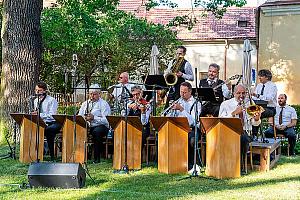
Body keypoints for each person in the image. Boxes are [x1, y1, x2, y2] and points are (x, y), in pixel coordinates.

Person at [219, 84, 261, 171]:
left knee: (243, 138)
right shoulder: (225, 104)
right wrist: (233, 113)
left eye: (243, 93)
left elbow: (255, 124)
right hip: (229, 131)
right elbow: (220, 120)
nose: (241, 96)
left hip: (245, 131)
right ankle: (225, 163)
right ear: (233, 93)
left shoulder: (251, 103)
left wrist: (256, 119)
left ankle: (240, 165)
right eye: (238, 93)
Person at [165, 82, 201, 171]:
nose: (182, 94)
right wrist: (171, 111)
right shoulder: (178, 101)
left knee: (190, 139)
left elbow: (193, 121)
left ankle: (191, 164)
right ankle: (171, 162)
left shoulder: (196, 103)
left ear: (190, 92)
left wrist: (181, 109)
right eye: (181, 92)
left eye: (184, 92)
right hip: (178, 127)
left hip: (192, 129)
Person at [78, 84, 111, 163]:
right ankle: (80, 156)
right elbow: (80, 115)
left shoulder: (104, 104)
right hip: (88, 125)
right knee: (77, 128)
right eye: (91, 94)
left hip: (101, 126)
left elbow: (107, 120)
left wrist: (94, 118)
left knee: (97, 132)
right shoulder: (85, 103)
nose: (92, 96)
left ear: (99, 94)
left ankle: (97, 158)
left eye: (94, 94)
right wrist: (84, 118)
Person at [31, 81, 61, 161]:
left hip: (53, 122)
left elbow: (52, 115)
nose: (37, 92)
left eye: (39, 90)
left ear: (44, 91)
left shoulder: (51, 100)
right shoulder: (35, 101)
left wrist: (39, 114)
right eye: (36, 90)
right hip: (41, 122)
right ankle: (34, 154)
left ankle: (51, 155)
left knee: (49, 130)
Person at [252, 69, 277, 137]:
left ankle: (254, 135)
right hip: (259, 107)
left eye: (261, 76)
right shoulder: (259, 85)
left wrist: (258, 96)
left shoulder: (273, 86)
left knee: (256, 112)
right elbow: (254, 98)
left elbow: (269, 98)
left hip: (270, 108)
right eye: (259, 76)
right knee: (249, 111)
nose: (259, 78)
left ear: (267, 77)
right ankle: (249, 133)